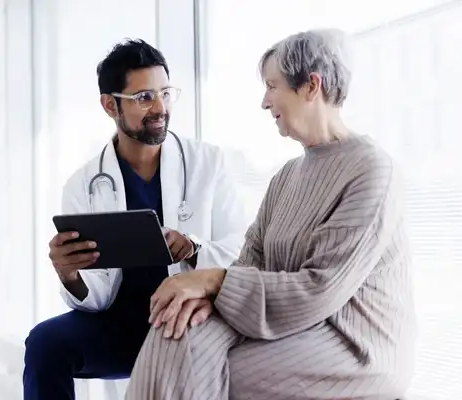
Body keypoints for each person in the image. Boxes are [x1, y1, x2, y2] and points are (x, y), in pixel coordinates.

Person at [125, 29, 418, 400]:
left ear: (311, 86)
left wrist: (214, 283)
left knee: (210, 369)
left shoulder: (371, 171)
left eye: (272, 85)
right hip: (290, 324)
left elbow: (320, 288)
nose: (265, 101)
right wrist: (205, 296)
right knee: (174, 332)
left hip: (354, 342)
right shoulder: (287, 177)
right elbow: (251, 261)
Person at [22, 39, 250, 400]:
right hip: (119, 326)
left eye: (165, 93)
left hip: (190, 317)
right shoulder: (83, 186)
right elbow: (95, 299)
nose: (160, 107)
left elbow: (243, 250)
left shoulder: (209, 164)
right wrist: (70, 275)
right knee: (45, 343)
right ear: (110, 105)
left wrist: (194, 247)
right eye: (144, 97)